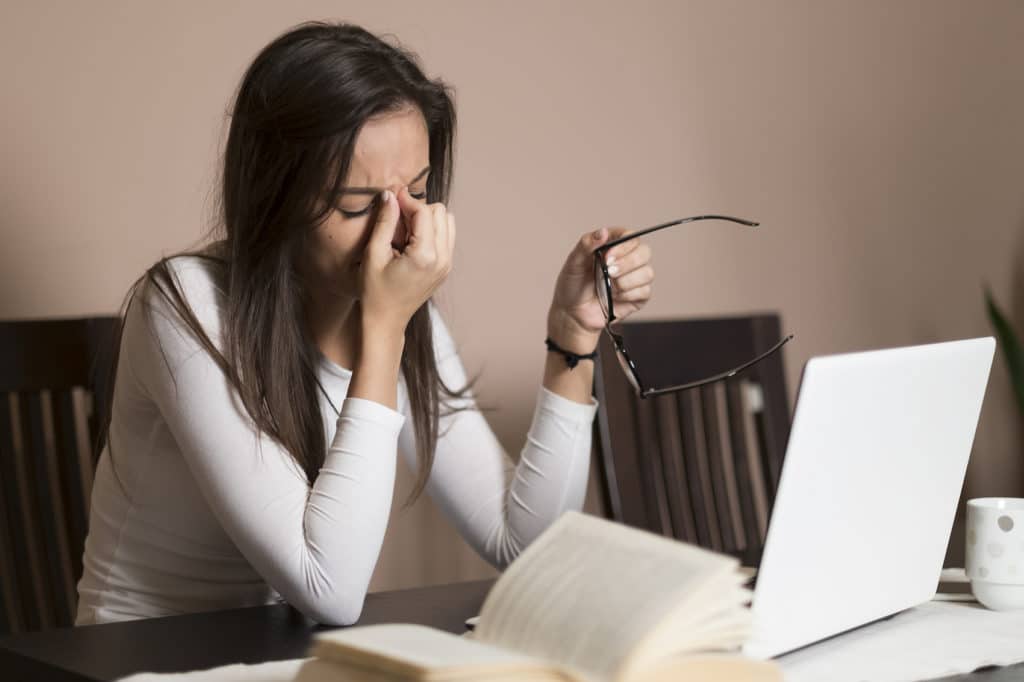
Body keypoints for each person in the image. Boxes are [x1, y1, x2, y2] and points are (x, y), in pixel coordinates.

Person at [76, 21, 654, 626]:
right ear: (276, 196)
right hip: (141, 661)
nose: (399, 226)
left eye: (419, 191)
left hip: (280, 660)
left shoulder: (399, 310)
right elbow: (329, 589)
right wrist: (384, 327)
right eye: (357, 203)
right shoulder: (183, 302)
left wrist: (573, 334)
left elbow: (525, 541)